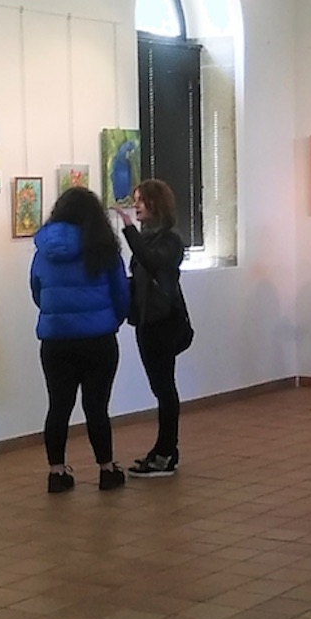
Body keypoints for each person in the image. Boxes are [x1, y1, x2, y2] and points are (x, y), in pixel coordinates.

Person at [30, 187, 130, 494]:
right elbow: (121, 294)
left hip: (55, 340)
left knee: (58, 406)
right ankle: (106, 469)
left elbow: (37, 291)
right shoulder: (103, 249)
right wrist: (111, 321)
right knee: (96, 406)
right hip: (98, 339)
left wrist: (56, 317)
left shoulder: (43, 251)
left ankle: (56, 473)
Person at [111, 179, 186, 477]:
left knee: (164, 388)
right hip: (146, 321)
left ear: (157, 203)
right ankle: (163, 450)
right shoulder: (149, 238)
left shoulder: (170, 239)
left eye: (141, 200)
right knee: (160, 387)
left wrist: (129, 229)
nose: (136, 205)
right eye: (136, 200)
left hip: (163, 321)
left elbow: (152, 263)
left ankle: (166, 453)